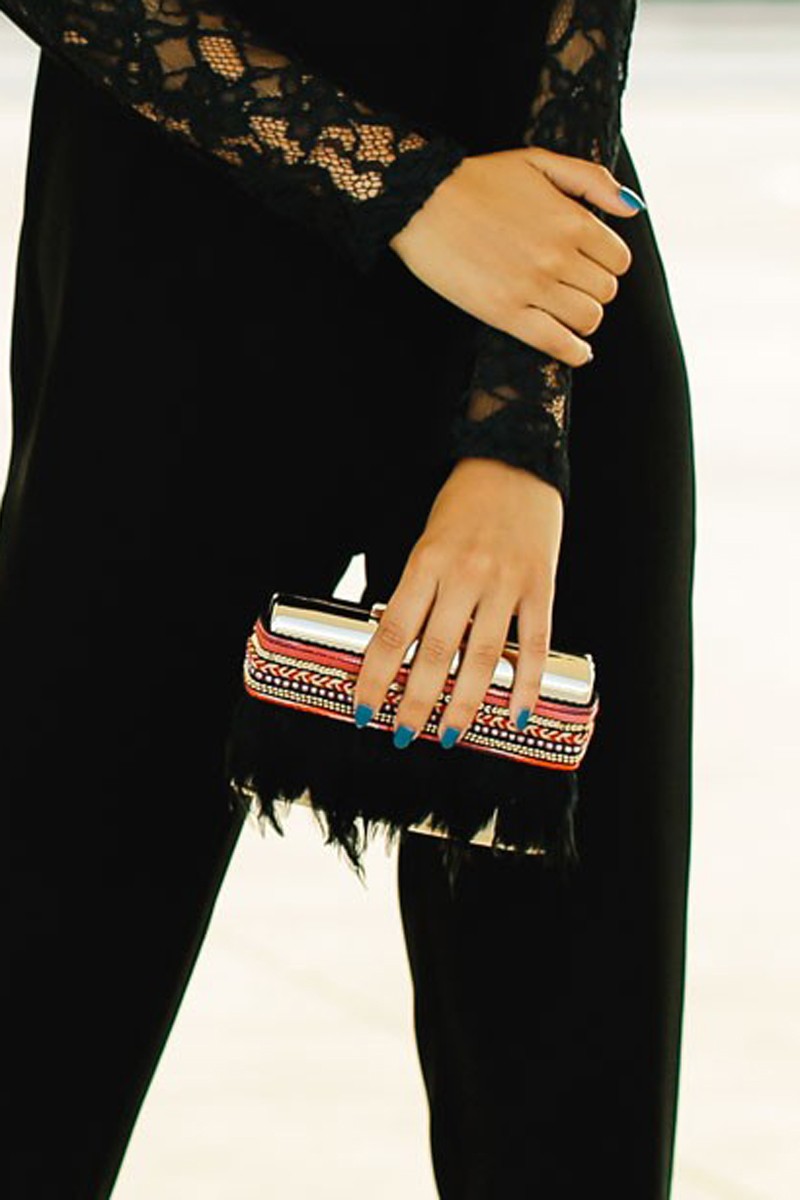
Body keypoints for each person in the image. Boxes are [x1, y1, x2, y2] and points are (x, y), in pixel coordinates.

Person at [0, 2, 695, 1197]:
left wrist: (520, 426)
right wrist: (404, 191)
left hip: (534, 270)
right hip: (163, 285)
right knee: (37, 1021)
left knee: (573, 1111)